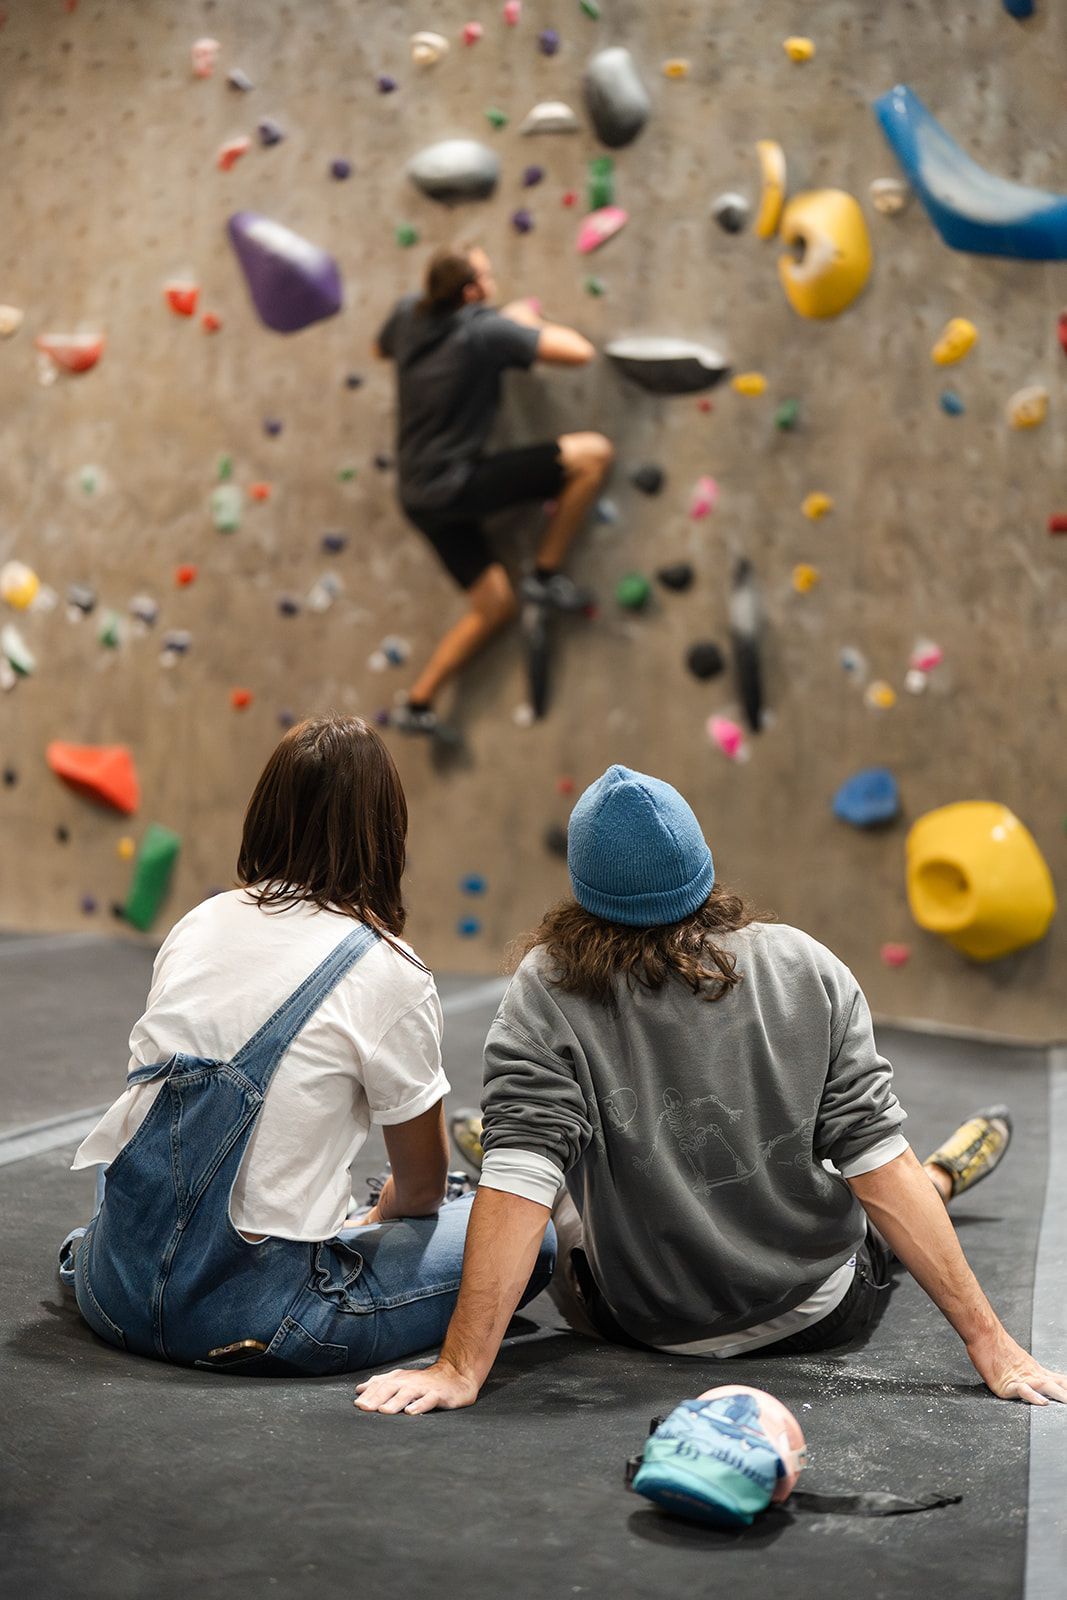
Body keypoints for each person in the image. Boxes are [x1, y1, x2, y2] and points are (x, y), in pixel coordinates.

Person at [355, 764, 1067, 1413]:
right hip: (812, 1313)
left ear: (585, 890)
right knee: (871, 1220)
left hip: (640, 1322)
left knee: (533, 1187)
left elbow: (512, 1196)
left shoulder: (546, 989)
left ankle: (530, 1146)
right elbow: (877, 1165)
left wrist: (458, 1368)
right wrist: (991, 1346)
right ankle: (939, 1177)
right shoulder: (807, 967)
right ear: (700, 868)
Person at [57, 714, 554, 1375]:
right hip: (258, 1319)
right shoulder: (386, 968)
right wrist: (369, 1220)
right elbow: (422, 1188)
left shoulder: (197, 923)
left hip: (111, 1291)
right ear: (386, 834)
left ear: (264, 814)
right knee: (529, 1238)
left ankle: (97, 1259)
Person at [374, 244, 614, 736]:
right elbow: (579, 352)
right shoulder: (484, 330)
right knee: (593, 454)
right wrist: (519, 325)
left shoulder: (405, 314)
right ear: (470, 291)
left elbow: (380, 350)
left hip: (417, 496)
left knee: (496, 605)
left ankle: (418, 703)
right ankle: (546, 575)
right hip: (458, 485)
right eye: (487, 272)